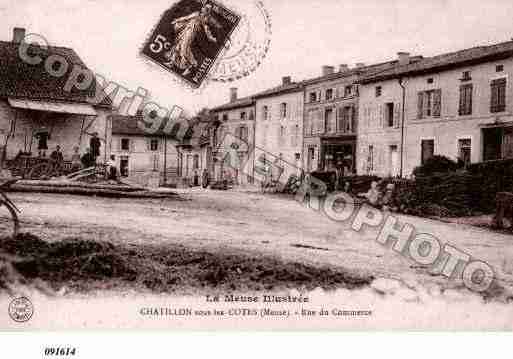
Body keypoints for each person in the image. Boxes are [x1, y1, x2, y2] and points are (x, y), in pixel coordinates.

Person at [164, 4, 221, 76]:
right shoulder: (196, 14)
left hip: (190, 34)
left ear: (207, 11)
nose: (203, 8)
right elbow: (186, 18)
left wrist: (211, 38)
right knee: (178, 46)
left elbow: (206, 30)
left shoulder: (204, 19)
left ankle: (191, 65)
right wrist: (177, 20)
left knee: (184, 49)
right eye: (204, 7)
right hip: (185, 31)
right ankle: (172, 63)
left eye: (206, 8)